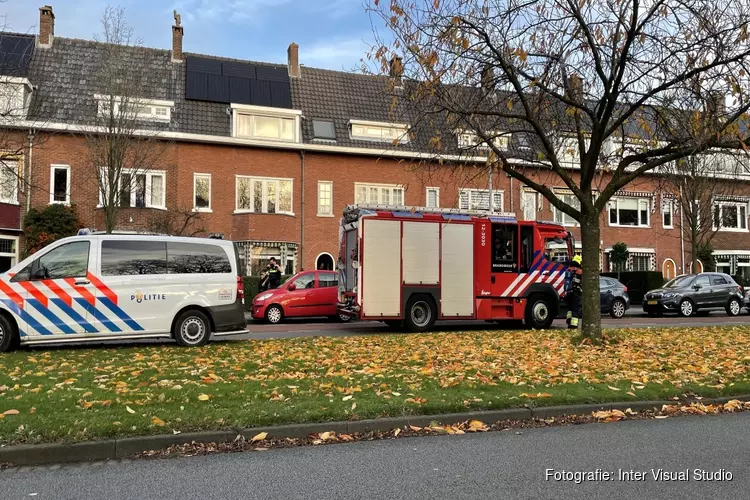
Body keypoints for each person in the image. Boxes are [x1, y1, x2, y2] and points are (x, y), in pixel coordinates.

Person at [564, 255, 583, 329]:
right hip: (576, 293)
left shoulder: (569, 269)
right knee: (576, 309)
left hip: (568, 293)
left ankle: (569, 321)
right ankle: (573, 325)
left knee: (570, 309)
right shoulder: (579, 271)